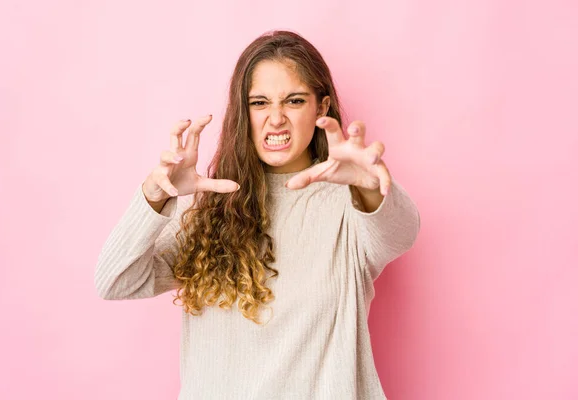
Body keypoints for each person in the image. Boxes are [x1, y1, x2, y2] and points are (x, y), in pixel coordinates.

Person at [95, 30, 420, 400]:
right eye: (260, 103)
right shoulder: (210, 209)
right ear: (243, 111)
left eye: (294, 101)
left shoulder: (349, 204)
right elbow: (114, 281)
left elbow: (401, 233)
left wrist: (368, 186)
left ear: (322, 107)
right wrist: (154, 197)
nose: (276, 119)